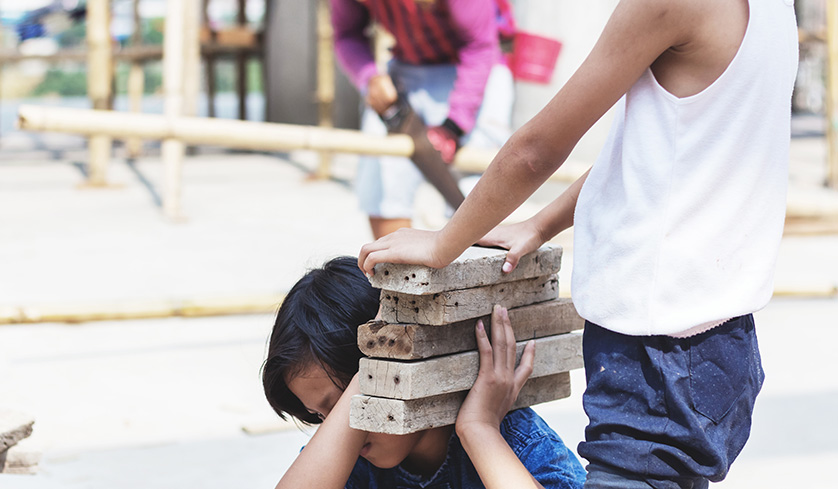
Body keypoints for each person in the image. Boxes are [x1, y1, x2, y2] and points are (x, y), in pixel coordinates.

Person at [358, 0, 798, 487]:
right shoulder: (773, 8)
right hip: (723, 342)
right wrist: (541, 224)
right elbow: (656, 153)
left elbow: (535, 150)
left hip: (659, 353)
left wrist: (444, 242)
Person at [262, 256, 586, 489]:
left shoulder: (516, 440)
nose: (342, 424)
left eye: (341, 404)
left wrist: (479, 429)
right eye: (323, 416)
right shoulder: (351, 458)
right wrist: (363, 381)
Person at [331, 0, 515, 239]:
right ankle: (400, 274)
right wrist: (369, 78)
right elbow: (346, 34)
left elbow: (479, 45)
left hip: (475, 68)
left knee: (477, 197)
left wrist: (453, 126)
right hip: (407, 68)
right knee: (383, 190)